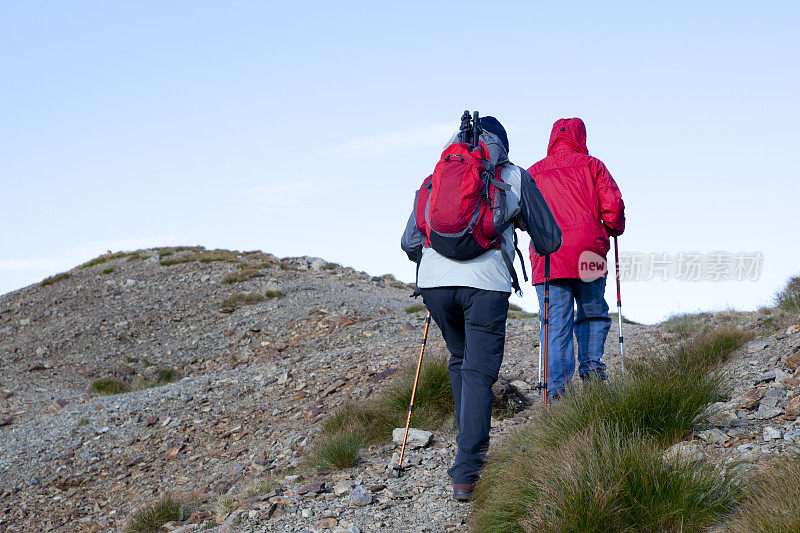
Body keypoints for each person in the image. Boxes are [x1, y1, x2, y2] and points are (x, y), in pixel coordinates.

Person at [401, 115, 561, 501]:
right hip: (485, 283)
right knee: (477, 370)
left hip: (435, 284)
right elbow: (550, 239)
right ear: (501, 145)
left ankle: (465, 444)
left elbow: (409, 242)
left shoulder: (436, 175)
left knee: (460, 358)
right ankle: (467, 469)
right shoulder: (513, 175)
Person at [527, 118, 625, 399]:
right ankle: (593, 372)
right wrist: (613, 227)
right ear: (580, 136)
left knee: (555, 323)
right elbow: (613, 209)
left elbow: (523, 217)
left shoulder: (533, 172)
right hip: (589, 250)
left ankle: (557, 392)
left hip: (549, 254)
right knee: (593, 313)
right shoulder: (593, 165)